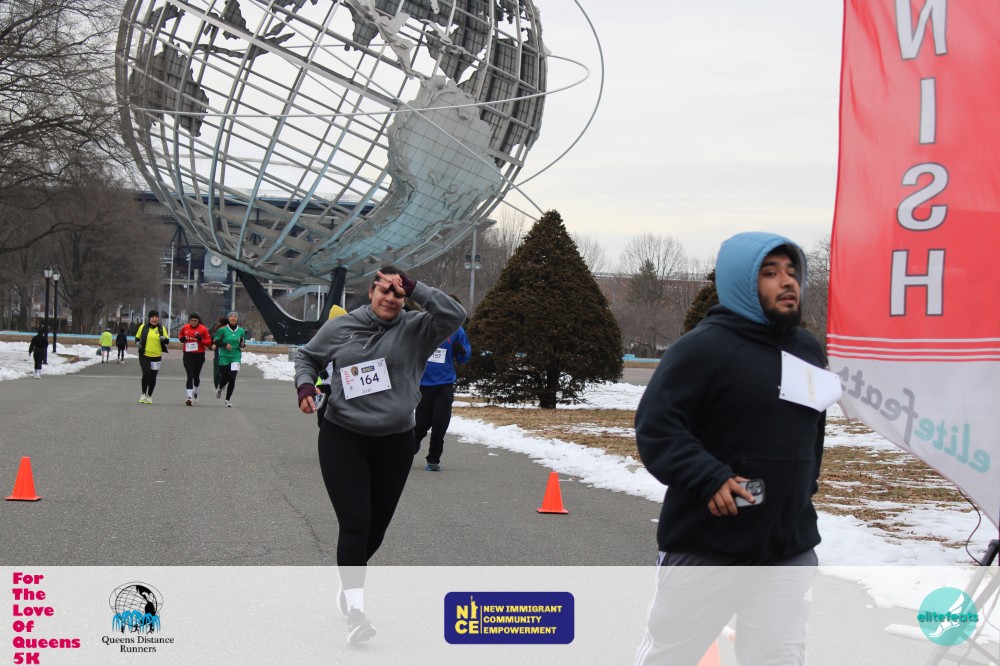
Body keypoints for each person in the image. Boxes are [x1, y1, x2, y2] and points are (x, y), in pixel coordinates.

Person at [633, 232, 837, 666]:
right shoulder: (704, 348)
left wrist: (803, 491)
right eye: (770, 273)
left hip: (787, 547)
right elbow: (657, 426)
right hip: (708, 545)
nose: (788, 282)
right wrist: (709, 477)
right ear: (742, 281)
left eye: (792, 272)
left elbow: (812, 431)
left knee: (778, 658)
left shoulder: (806, 349)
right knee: (671, 657)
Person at [294, 267, 465, 644]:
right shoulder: (342, 327)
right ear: (371, 291)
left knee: (375, 529)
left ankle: (348, 582)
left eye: (398, 293)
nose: (390, 297)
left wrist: (417, 287)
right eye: (384, 290)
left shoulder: (418, 328)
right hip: (343, 436)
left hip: (395, 441)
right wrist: (305, 385)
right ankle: (356, 611)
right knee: (356, 522)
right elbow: (308, 357)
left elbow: (456, 315)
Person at [413, 320, 471, 471]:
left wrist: (462, 352)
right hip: (424, 383)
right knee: (421, 425)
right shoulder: (423, 326)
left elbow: (465, 356)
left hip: (445, 383)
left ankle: (433, 459)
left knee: (440, 423)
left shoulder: (456, 330)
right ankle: (413, 444)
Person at [135, 310, 169, 404]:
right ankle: (143, 394)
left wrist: (164, 339)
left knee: (153, 376)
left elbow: (167, 341)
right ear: (149, 318)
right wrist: (137, 343)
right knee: (146, 373)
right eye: (152, 317)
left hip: (157, 355)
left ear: (158, 318)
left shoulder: (161, 328)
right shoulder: (143, 327)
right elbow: (137, 338)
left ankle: (149, 396)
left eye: (156, 317)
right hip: (144, 354)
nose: (154, 319)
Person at [213, 311, 246, 408]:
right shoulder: (222, 330)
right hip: (224, 356)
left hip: (236, 356)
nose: (233, 318)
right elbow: (216, 341)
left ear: (237, 319)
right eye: (231, 316)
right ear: (228, 318)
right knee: (225, 377)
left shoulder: (241, 330)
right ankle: (220, 388)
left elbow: (242, 342)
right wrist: (225, 344)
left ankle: (227, 400)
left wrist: (242, 345)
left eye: (235, 316)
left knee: (232, 378)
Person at [178, 313, 211, 406]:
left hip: (199, 354)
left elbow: (208, 342)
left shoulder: (203, 329)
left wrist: (200, 339)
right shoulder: (185, 327)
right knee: (190, 375)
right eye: (191, 321)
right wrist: (182, 339)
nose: (193, 322)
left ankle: (195, 391)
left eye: (195, 321)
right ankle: (189, 397)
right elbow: (180, 335)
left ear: (198, 321)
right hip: (188, 354)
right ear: (189, 321)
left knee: (196, 376)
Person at [209, 316, 227, 391]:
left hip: (227, 357)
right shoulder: (215, 335)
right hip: (217, 357)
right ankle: (218, 388)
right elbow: (209, 345)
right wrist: (211, 347)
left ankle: (222, 384)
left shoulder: (230, 336)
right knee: (216, 375)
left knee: (225, 374)